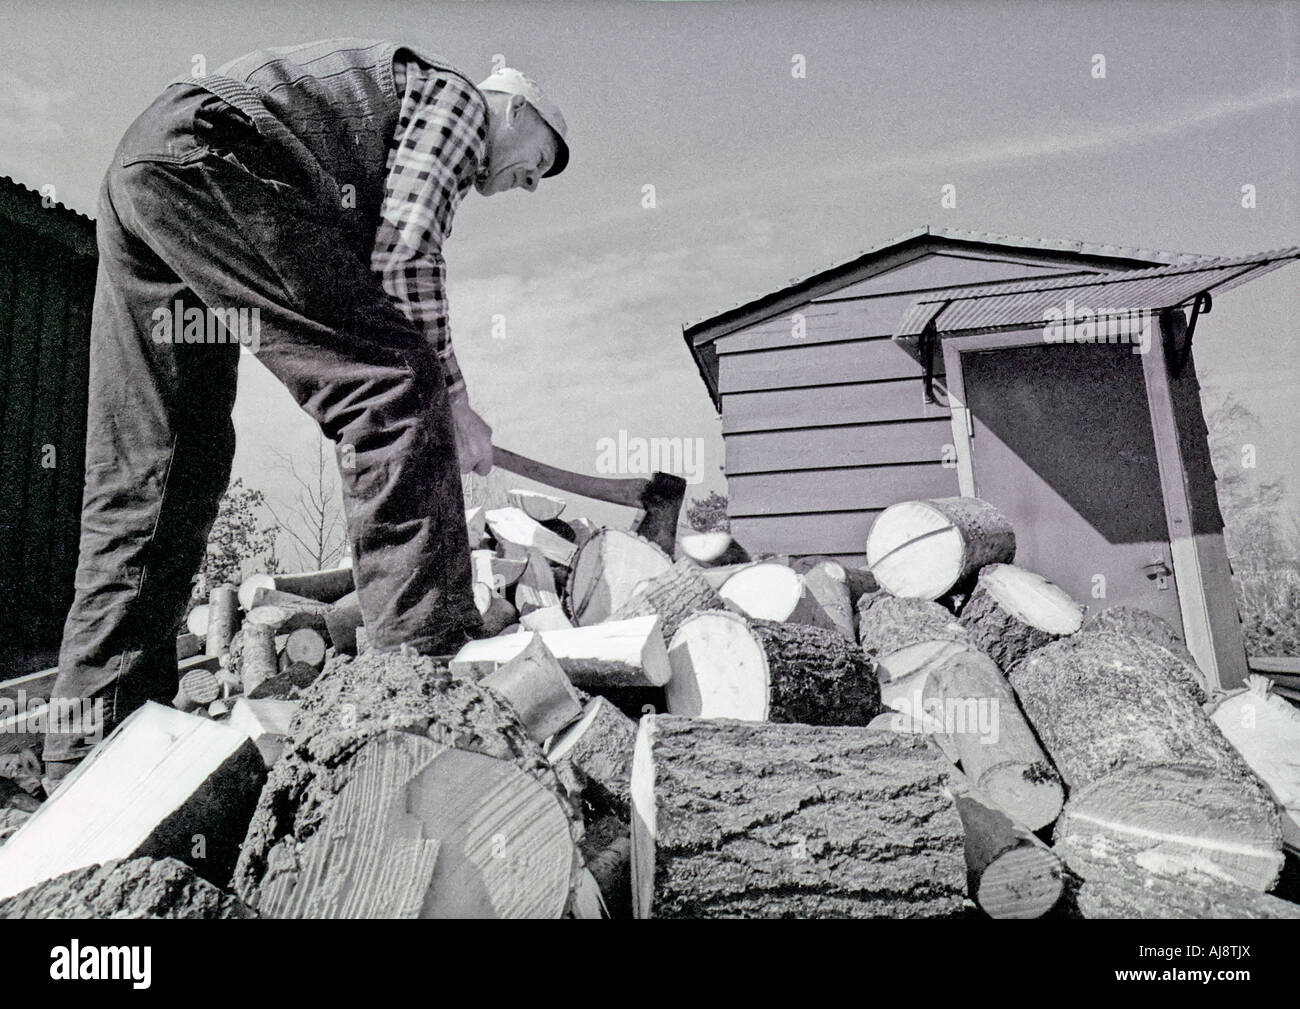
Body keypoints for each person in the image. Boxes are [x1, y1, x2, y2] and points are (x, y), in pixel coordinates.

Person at [42, 38, 569, 785]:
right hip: (212, 153)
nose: (530, 184)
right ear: (513, 107)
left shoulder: (410, 122)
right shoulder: (457, 102)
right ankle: (426, 710)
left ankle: (88, 774)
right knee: (392, 383)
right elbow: (407, 257)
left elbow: (373, 269)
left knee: (157, 473)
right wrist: (451, 398)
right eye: (538, 161)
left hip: (147, 169)